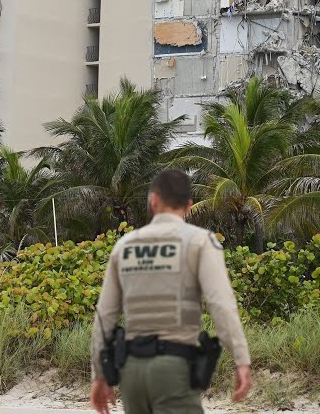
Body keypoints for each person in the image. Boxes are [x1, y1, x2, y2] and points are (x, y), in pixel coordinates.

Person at [89, 169, 252, 414]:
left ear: (153, 200)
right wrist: (241, 359)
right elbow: (221, 305)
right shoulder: (199, 241)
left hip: (131, 372)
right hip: (174, 369)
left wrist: (99, 375)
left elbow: (105, 316)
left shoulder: (125, 246)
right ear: (188, 205)